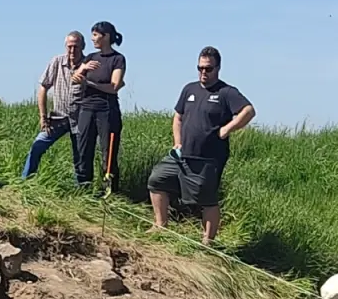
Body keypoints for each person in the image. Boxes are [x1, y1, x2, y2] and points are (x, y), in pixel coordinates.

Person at [148, 47, 253, 245]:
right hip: (181, 154)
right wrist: (177, 141)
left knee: (206, 198)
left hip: (208, 158)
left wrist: (227, 129)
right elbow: (178, 117)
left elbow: (248, 111)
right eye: (200, 68)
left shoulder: (226, 92)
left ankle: (208, 241)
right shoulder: (189, 89)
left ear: (218, 68)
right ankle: (160, 225)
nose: (204, 72)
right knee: (157, 180)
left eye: (208, 69)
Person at [71, 22, 126, 191]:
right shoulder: (90, 58)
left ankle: (109, 191)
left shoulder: (117, 59)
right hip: (86, 108)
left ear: (106, 36)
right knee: (83, 149)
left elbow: (114, 86)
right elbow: (74, 78)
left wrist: (88, 82)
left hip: (107, 110)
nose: (92, 38)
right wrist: (84, 69)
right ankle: (84, 189)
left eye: (95, 35)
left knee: (107, 153)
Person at [23, 32, 84, 179]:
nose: (72, 50)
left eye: (76, 47)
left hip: (80, 119)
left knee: (80, 157)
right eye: (69, 47)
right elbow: (43, 88)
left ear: (83, 47)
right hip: (58, 117)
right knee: (37, 146)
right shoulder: (57, 62)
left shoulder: (88, 64)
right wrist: (43, 117)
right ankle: (26, 181)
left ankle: (81, 191)